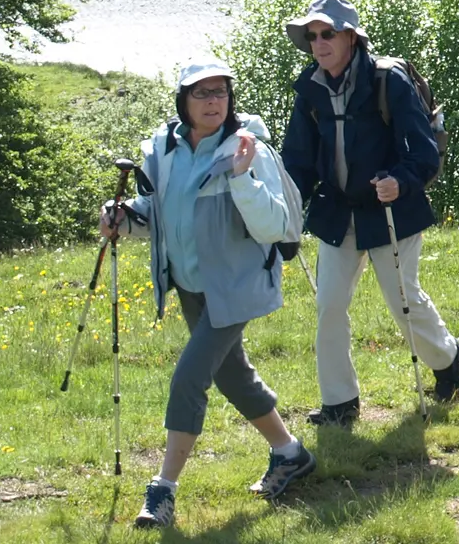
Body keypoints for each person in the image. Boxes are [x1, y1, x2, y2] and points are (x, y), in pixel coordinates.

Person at [102, 61, 312, 529]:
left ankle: (163, 490)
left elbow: (275, 225)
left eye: (221, 92)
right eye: (203, 93)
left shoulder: (246, 149)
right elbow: (160, 210)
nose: (214, 101)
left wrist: (240, 176)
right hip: (190, 284)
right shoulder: (165, 149)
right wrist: (122, 216)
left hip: (234, 284)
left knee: (188, 379)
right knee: (232, 376)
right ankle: (291, 453)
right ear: (183, 101)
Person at [281, 0, 459, 428]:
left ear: (350, 38)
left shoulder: (388, 81)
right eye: (312, 36)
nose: (318, 43)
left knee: (403, 302)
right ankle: (339, 404)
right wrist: (282, 210)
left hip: (390, 211)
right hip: (338, 214)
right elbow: (298, 163)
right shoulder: (310, 88)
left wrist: (399, 180)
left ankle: (447, 359)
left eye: (327, 34)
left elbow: (423, 153)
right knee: (329, 306)